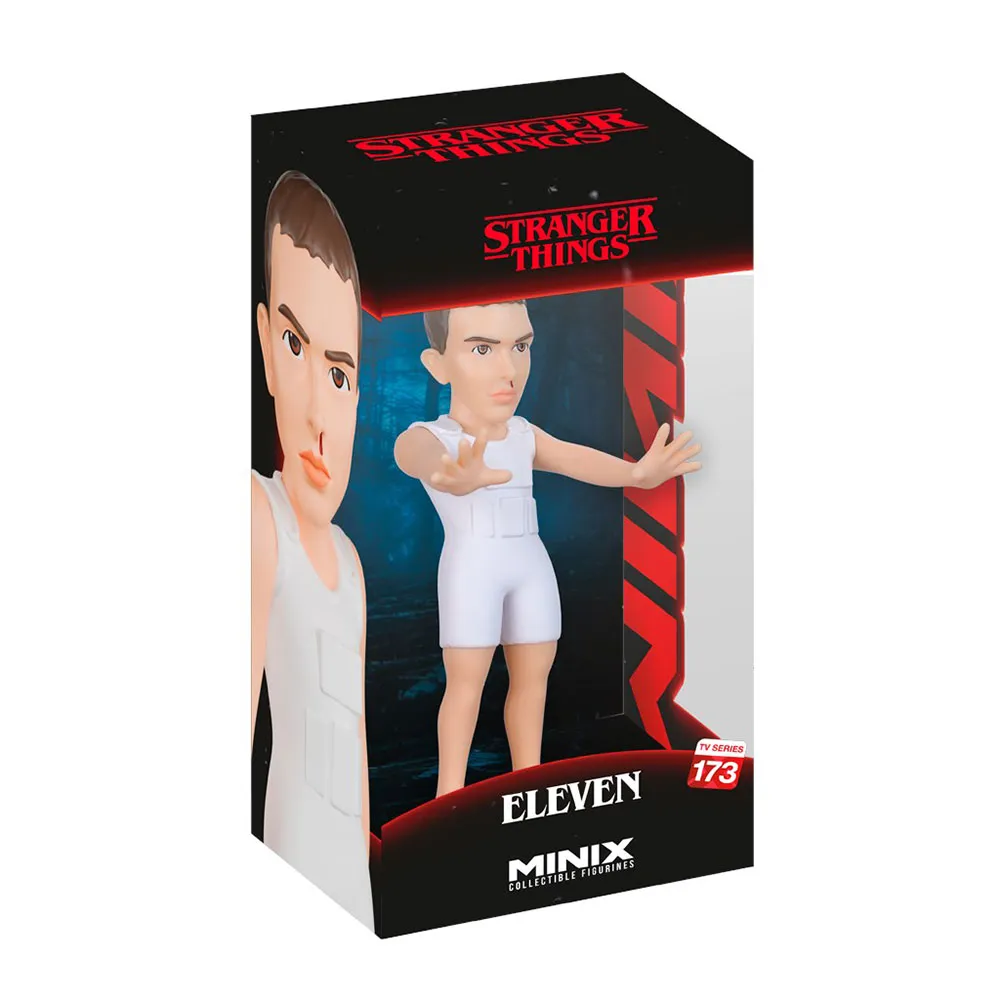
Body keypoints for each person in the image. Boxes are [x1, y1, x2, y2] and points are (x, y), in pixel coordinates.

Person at [394, 300, 702, 798]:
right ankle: (448, 797)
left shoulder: (523, 434)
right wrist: (447, 474)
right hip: (471, 571)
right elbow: (412, 452)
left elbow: (574, 459)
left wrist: (636, 474)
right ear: (438, 364)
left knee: (533, 684)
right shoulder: (434, 437)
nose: (509, 370)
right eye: (482, 349)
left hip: (532, 567)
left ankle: (529, 785)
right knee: (466, 687)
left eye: (521, 346)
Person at [251, 171, 373, 928]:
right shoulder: (256, 516)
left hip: (352, 874)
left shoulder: (352, 563)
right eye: (294, 346)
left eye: (340, 373)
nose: (321, 414)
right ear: (266, 346)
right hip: (291, 856)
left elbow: (355, 733)